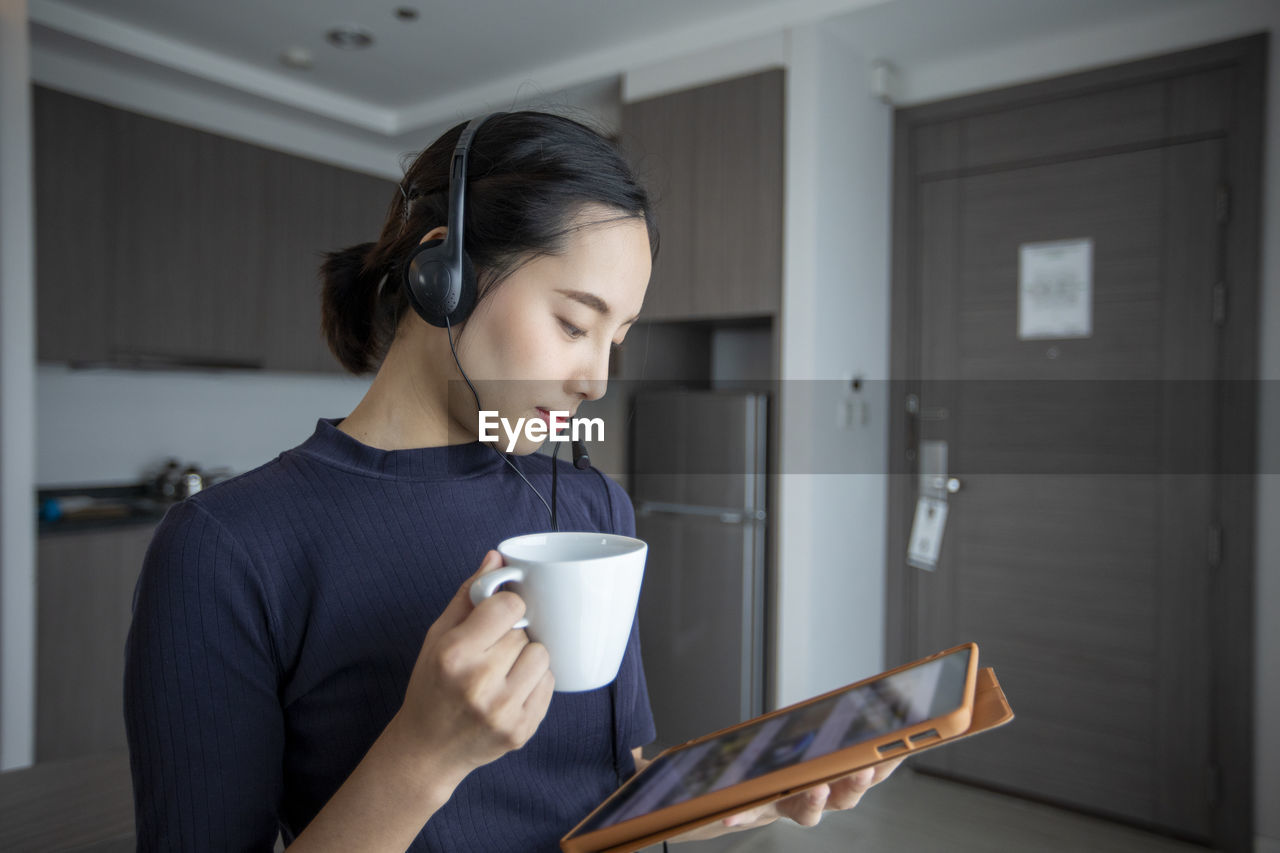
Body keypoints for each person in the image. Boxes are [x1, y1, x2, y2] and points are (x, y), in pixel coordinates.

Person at [123, 110, 899, 852]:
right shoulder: (226, 547)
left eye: (616, 338)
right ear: (445, 274)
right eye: (573, 323)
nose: (596, 378)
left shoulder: (593, 506)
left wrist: (739, 787)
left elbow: (604, 786)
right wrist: (424, 754)